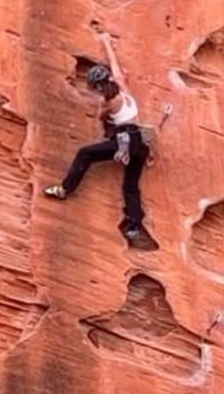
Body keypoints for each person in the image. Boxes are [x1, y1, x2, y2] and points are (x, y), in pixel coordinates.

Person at [44, 32, 151, 247]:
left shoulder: (106, 101)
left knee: (85, 154)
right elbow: (116, 66)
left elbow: (101, 119)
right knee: (131, 186)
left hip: (125, 141)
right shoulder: (122, 85)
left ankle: (65, 189)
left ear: (96, 86)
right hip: (141, 141)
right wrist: (106, 43)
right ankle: (135, 225)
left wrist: (104, 129)